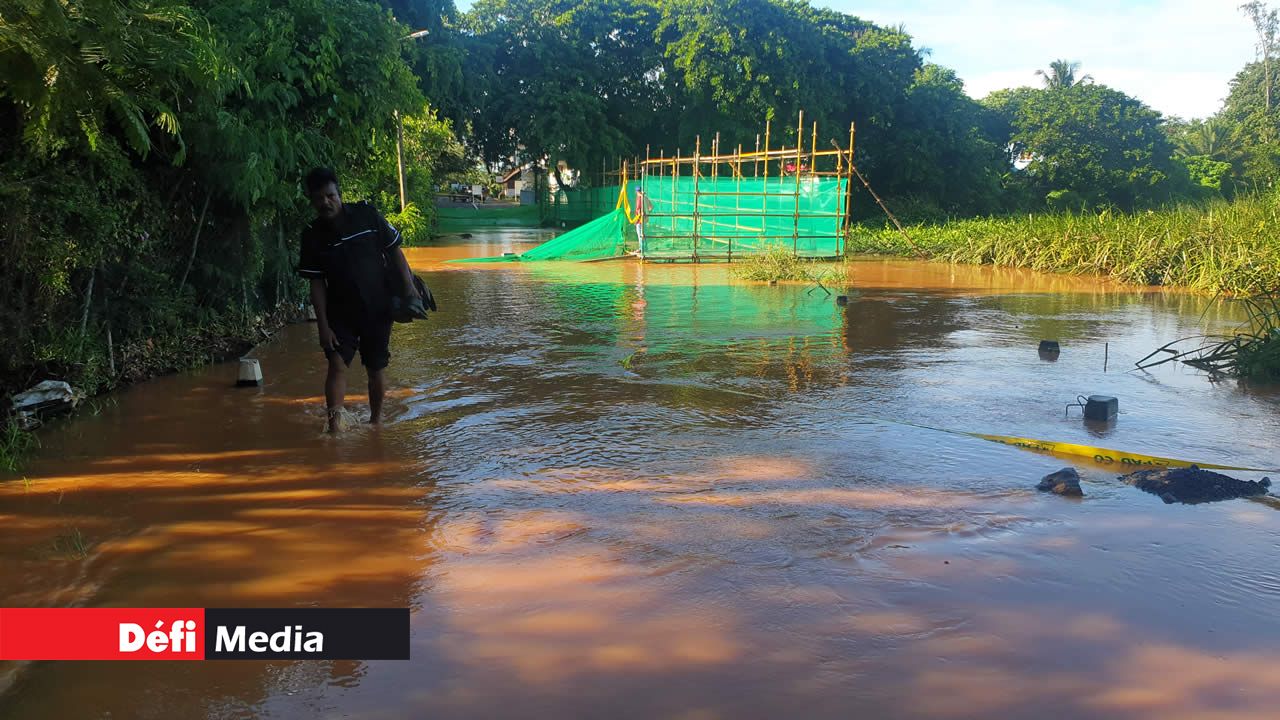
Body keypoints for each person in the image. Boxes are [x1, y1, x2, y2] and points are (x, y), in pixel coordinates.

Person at [297, 167, 419, 432]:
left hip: (378, 307)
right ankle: (334, 428)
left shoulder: (367, 216)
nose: (325, 202)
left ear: (339, 194)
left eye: (330, 196)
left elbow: (395, 251)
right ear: (312, 201)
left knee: (375, 368)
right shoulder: (312, 236)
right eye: (319, 198)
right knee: (336, 363)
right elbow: (316, 283)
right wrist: (323, 326)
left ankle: (375, 423)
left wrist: (410, 290)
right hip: (339, 312)